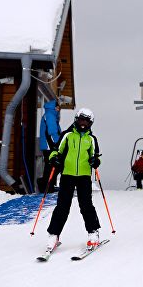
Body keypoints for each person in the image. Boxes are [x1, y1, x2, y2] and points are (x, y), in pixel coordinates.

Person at [45, 108, 102, 253]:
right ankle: (54, 235)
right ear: (76, 120)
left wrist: (95, 161)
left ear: (90, 123)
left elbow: (95, 156)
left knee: (86, 205)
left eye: (86, 121)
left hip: (84, 177)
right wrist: (54, 159)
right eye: (81, 120)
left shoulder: (91, 139)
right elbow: (55, 150)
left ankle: (93, 232)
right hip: (67, 175)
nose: (83, 123)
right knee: (62, 206)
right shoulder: (67, 135)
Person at [37, 100, 61, 193]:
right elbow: (52, 132)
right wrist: (58, 144)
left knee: (50, 166)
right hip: (49, 146)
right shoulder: (50, 116)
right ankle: (45, 185)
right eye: (57, 107)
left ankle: (47, 186)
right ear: (53, 107)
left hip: (48, 146)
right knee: (54, 165)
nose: (58, 109)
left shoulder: (50, 115)